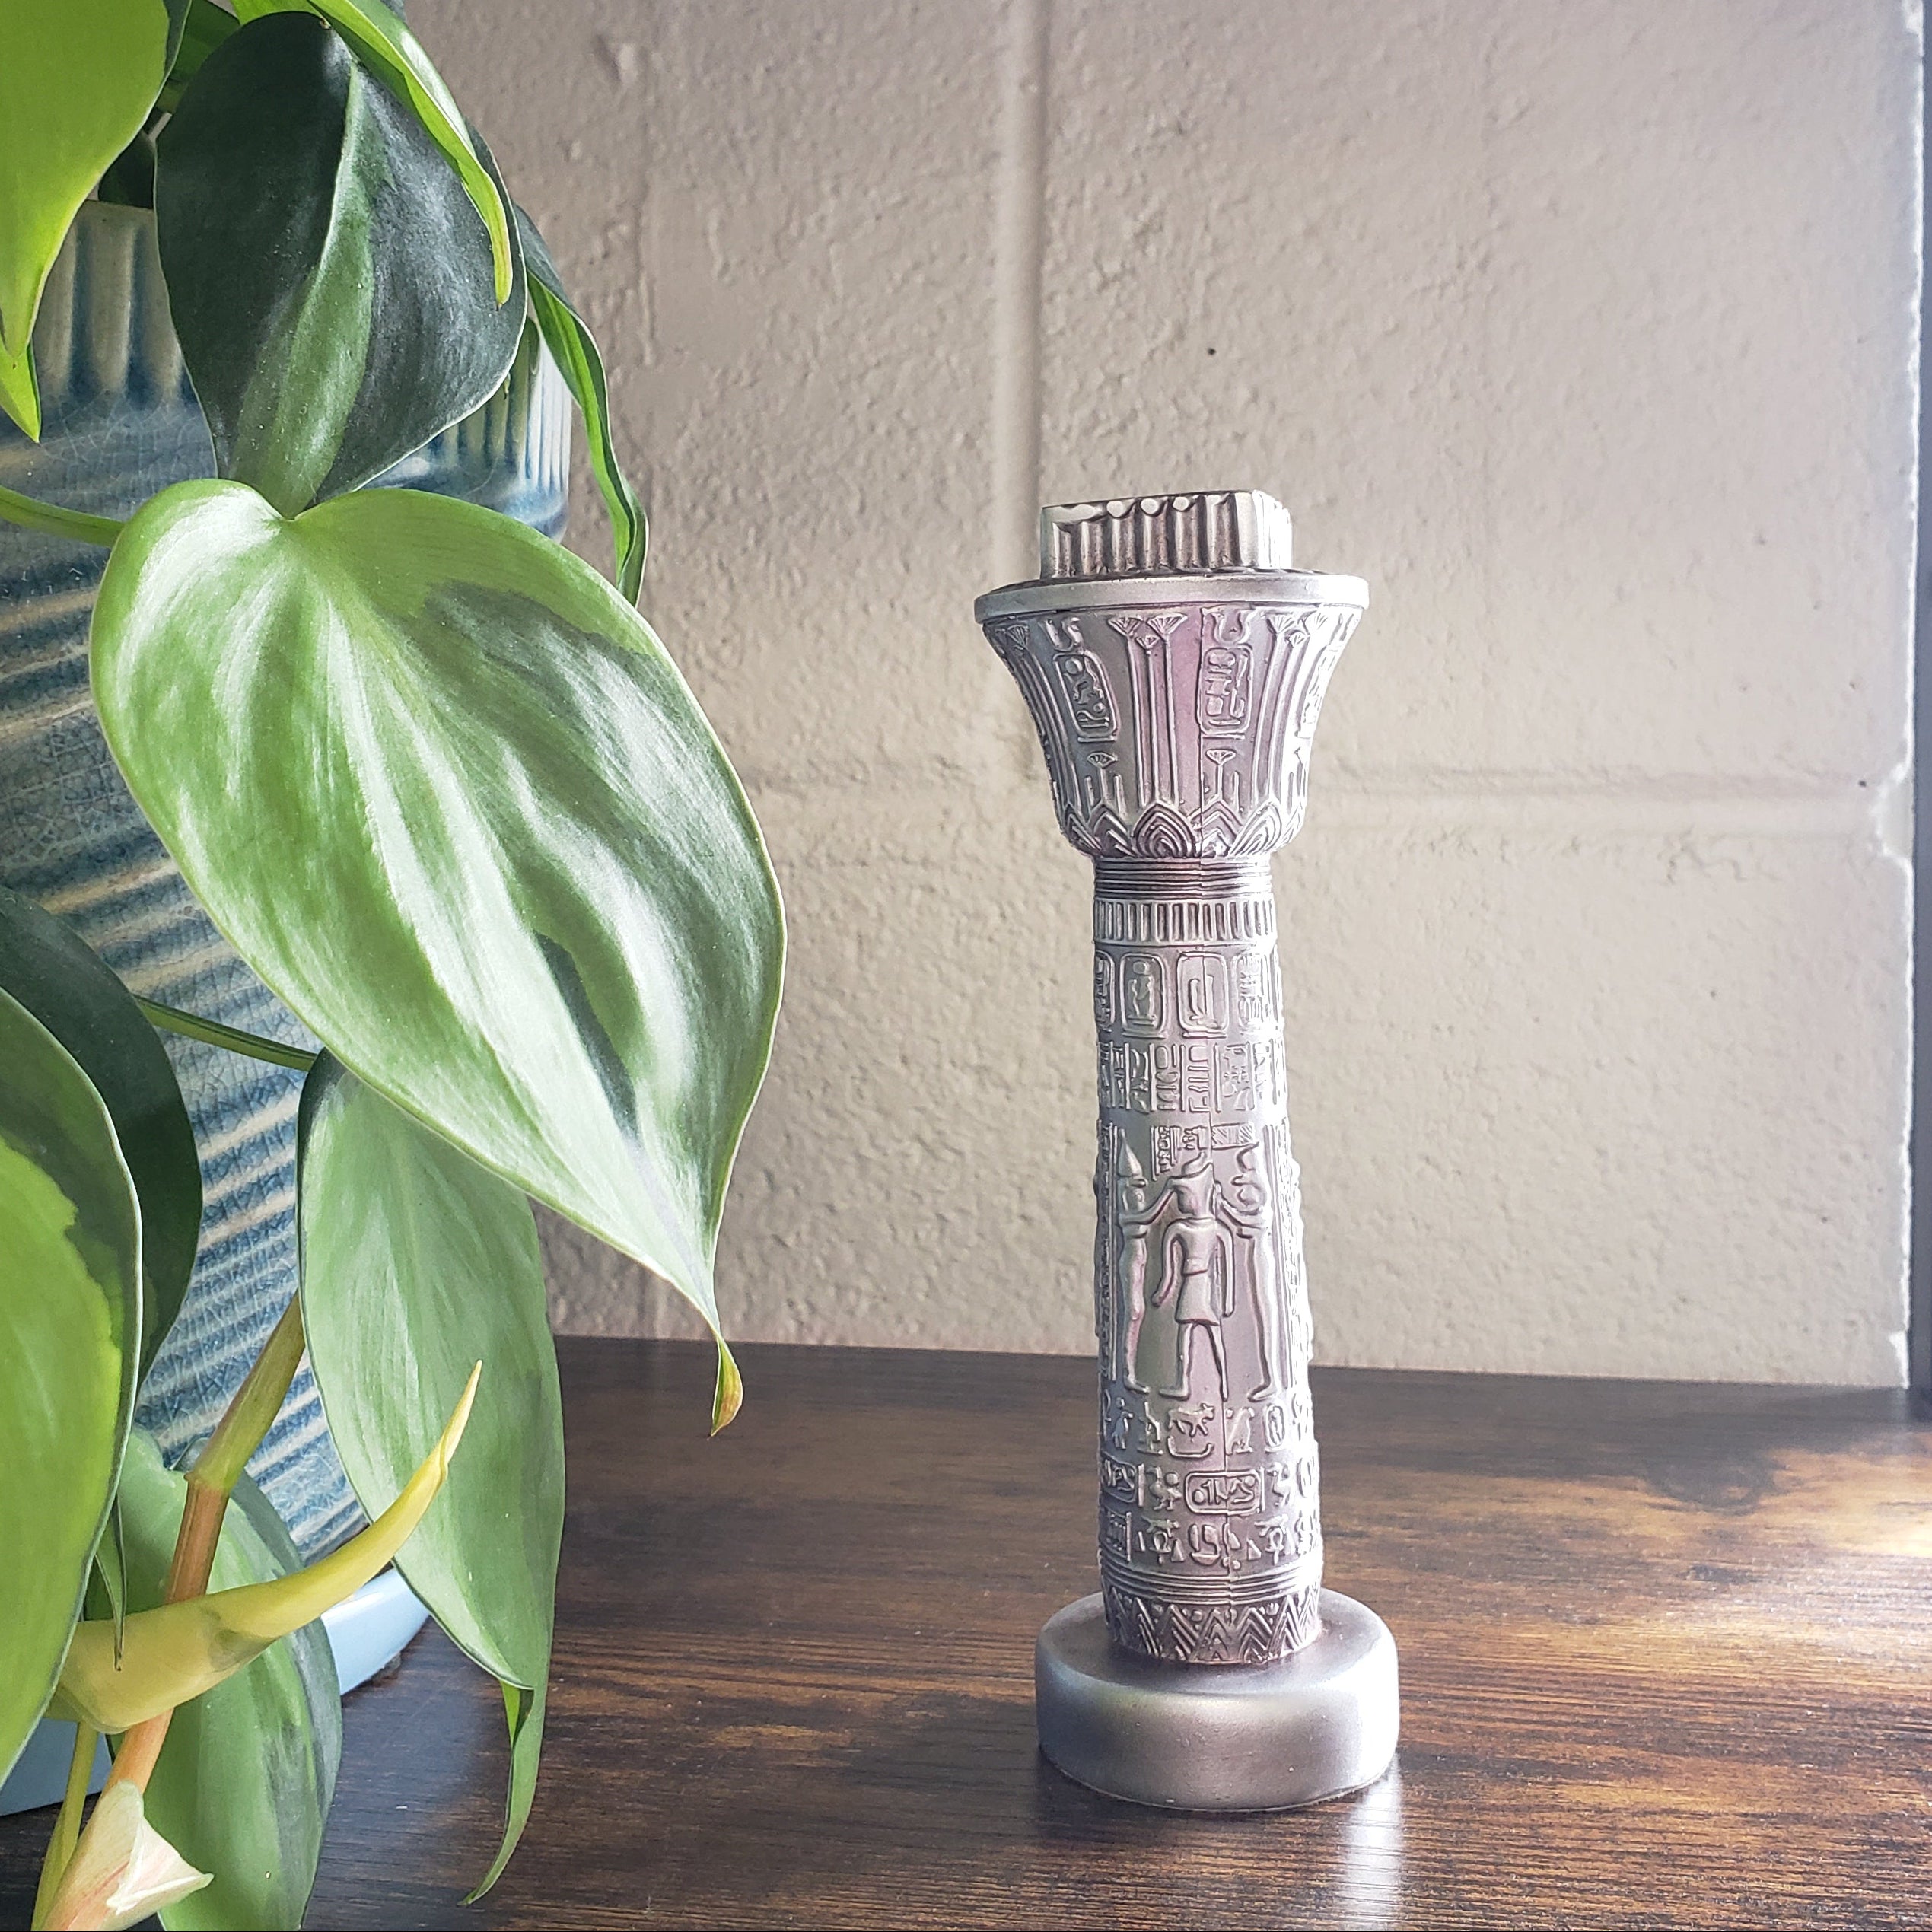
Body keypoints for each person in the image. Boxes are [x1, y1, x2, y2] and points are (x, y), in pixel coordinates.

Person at [1147, 1159, 1234, 1400]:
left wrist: (1227, 1302)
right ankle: (1183, 1384)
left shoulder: (1218, 1230)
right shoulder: (1179, 1229)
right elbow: (1169, 1271)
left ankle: (1225, 1383)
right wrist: (1162, 1292)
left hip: (1205, 1287)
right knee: (1186, 1335)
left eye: (1184, 1195)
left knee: (1213, 1336)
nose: (1182, 1202)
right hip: (1191, 1285)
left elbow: (1228, 1270)